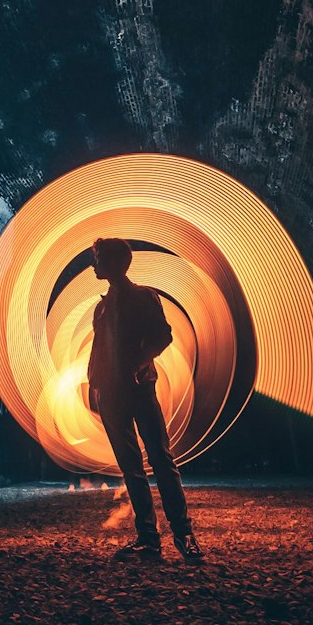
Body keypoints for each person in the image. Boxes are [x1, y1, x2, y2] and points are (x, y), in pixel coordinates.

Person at [87, 237, 204, 562]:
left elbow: (163, 335)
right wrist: (94, 386)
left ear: (111, 263)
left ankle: (178, 535)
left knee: (158, 462)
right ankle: (154, 539)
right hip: (114, 392)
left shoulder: (141, 297)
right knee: (136, 466)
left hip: (136, 389)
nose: (93, 265)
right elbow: (100, 350)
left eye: (97, 259)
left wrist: (138, 365)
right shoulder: (104, 305)